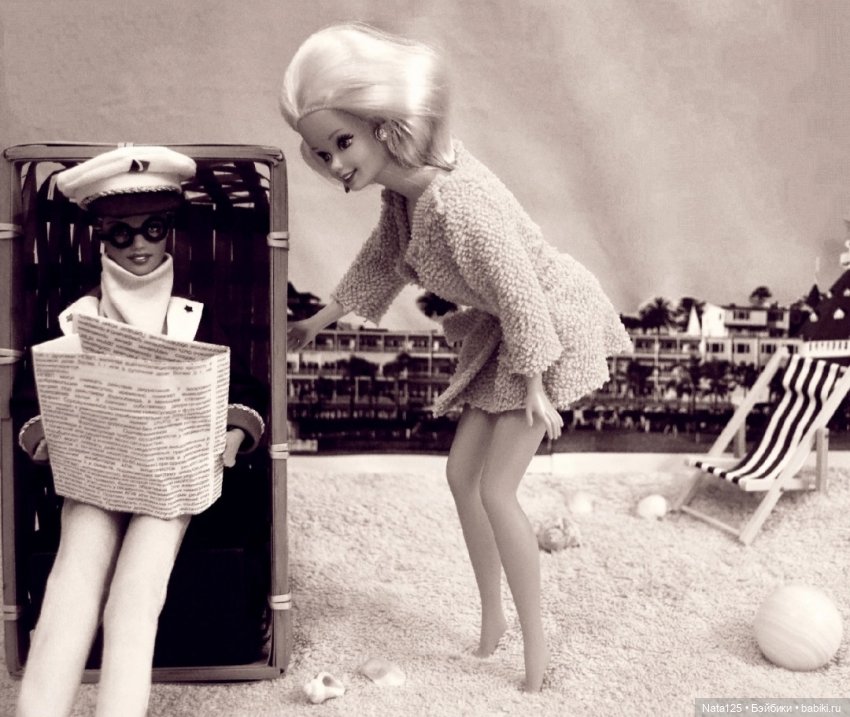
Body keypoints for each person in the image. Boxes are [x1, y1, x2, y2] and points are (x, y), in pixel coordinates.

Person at [279, 23, 632, 692]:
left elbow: (522, 291)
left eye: (343, 143)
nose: (334, 164)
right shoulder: (405, 197)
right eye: (321, 153)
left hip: (548, 325)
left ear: (384, 125)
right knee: (460, 474)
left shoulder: (461, 205)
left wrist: (535, 384)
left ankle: (536, 653)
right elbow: (381, 261)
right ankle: (492, 624)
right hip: (511, 330)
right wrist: (318, 321)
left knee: (497, 489)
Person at [15, 146, 266, 717]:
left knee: (134, 598)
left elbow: (244, 388)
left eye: (153, 228)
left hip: (169, 481)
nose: (139, 245)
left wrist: (233, 431)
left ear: (169, 230)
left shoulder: (194, 316)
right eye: (121, 233)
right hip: (95, 479)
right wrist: (47, 438)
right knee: (70, 589)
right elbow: (33, 395)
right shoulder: (75, 319)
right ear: (101, 238)